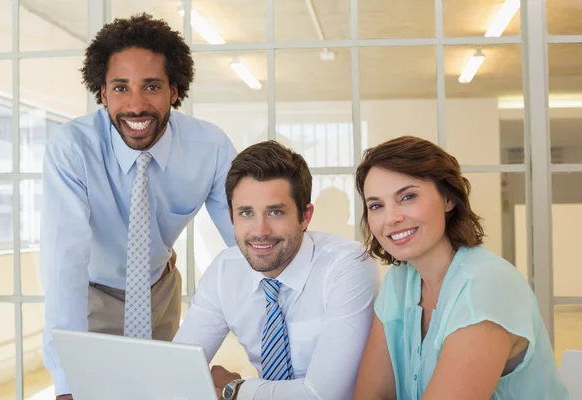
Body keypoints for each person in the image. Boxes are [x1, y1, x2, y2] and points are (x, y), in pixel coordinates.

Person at [40, 13, 237, 399]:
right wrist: (65, 383)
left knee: (157, 392)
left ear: (174, 91)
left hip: (160, 290)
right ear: (102, 92)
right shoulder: (72, 149)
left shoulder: (209, 148)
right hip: (92, 294)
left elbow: (247, 241)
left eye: (151, 86)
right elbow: (65, 265)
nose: (135, 105)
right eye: (120, 87)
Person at [352, 136, 569, 399]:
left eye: (408, 196)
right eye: (376, 205)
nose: (392, 218)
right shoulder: (399, 280)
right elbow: (371, 395)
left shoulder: (487, 286)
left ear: (448, 199)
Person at [173, 140, 378, 399]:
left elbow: (324, 396)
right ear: (231, 216)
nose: (260, 231)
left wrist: (234, 390)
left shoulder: (348, 265)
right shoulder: (225, 270)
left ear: (305, 216)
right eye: (246, 213)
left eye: (275, 212)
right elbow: (177, 370)